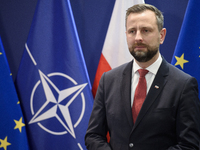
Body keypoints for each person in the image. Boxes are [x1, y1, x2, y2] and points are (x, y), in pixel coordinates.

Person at [85, 4, 200, 150]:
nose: (138, 37)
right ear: (126, 35)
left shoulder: (183, 85)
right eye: (132, 31)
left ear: (161, 35)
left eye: (146, 30)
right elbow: (93, 136)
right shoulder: (108, 80)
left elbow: (189, 145)